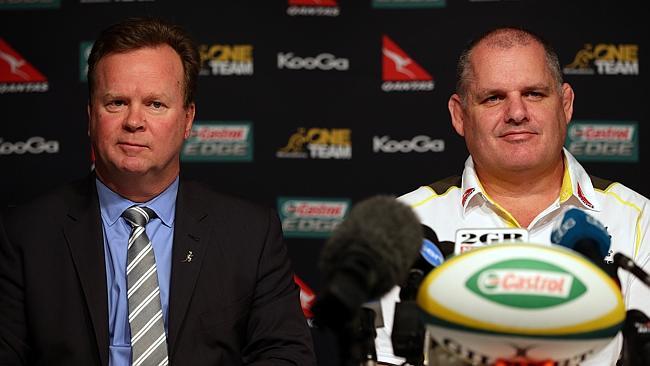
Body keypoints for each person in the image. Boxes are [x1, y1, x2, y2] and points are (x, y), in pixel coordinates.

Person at [0, 17, 316, 366]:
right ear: (91, 116)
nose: (134, 121)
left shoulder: (250, 235)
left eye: (155, 104)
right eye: (116, 102)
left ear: (187, 119)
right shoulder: (25, 234)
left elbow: (287, 355)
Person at [375, 27, 650, 365]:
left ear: (565, 104)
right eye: (493, 98)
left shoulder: (639, 221)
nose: (517, 113)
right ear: (459, 115)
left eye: (534, 93)